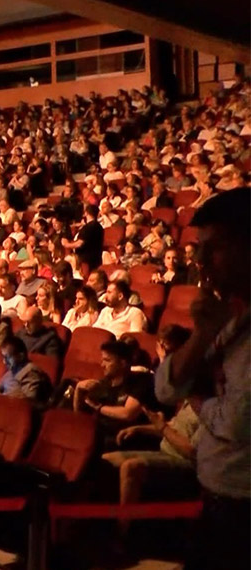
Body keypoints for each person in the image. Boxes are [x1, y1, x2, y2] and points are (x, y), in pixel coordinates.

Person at [154, 188, 249, 570]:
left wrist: (196, 399)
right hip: (215, 502)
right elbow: (165, 388)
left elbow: (238, 422)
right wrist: (202, 334)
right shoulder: (224, 316)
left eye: (216, 248)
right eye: (200, 248)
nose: (201, 261)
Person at [0, 337, 51, 403]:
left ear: (21, 356)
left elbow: (29, 402)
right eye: (3, 357)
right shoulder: (12, 370)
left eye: (8, 357)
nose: (4, 361)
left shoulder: (30, 372)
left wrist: (2, 398)